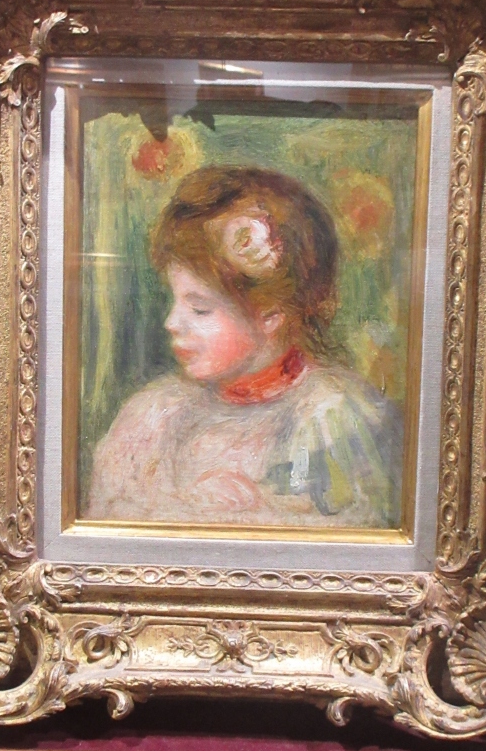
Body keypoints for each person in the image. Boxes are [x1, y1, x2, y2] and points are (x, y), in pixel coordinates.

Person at [86, 165, 402, 529]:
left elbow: (352, 538)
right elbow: (106, 526)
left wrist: (250, 512)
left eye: (199, 308)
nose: (172, 322)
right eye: (175, 300)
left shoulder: (332, 416)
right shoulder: (156, 415)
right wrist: (184, 508)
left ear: (271, 315)